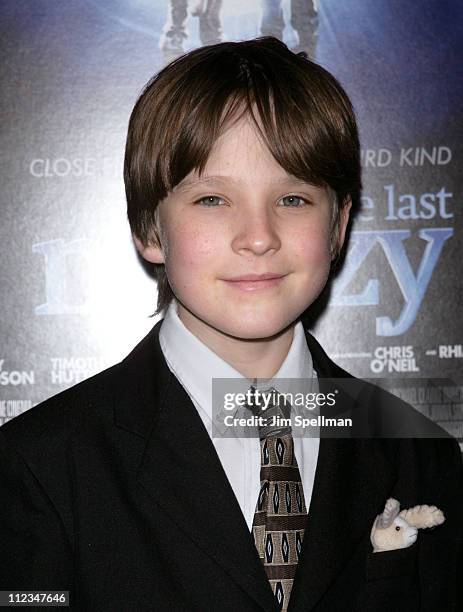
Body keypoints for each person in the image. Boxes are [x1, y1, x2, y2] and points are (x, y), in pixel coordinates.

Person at [0, 38, 461, 611]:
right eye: (213, 199)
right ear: (150, 230)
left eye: (293, 198)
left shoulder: (420, 454)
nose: (259, 236)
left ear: (339, 226)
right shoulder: (35, 465)